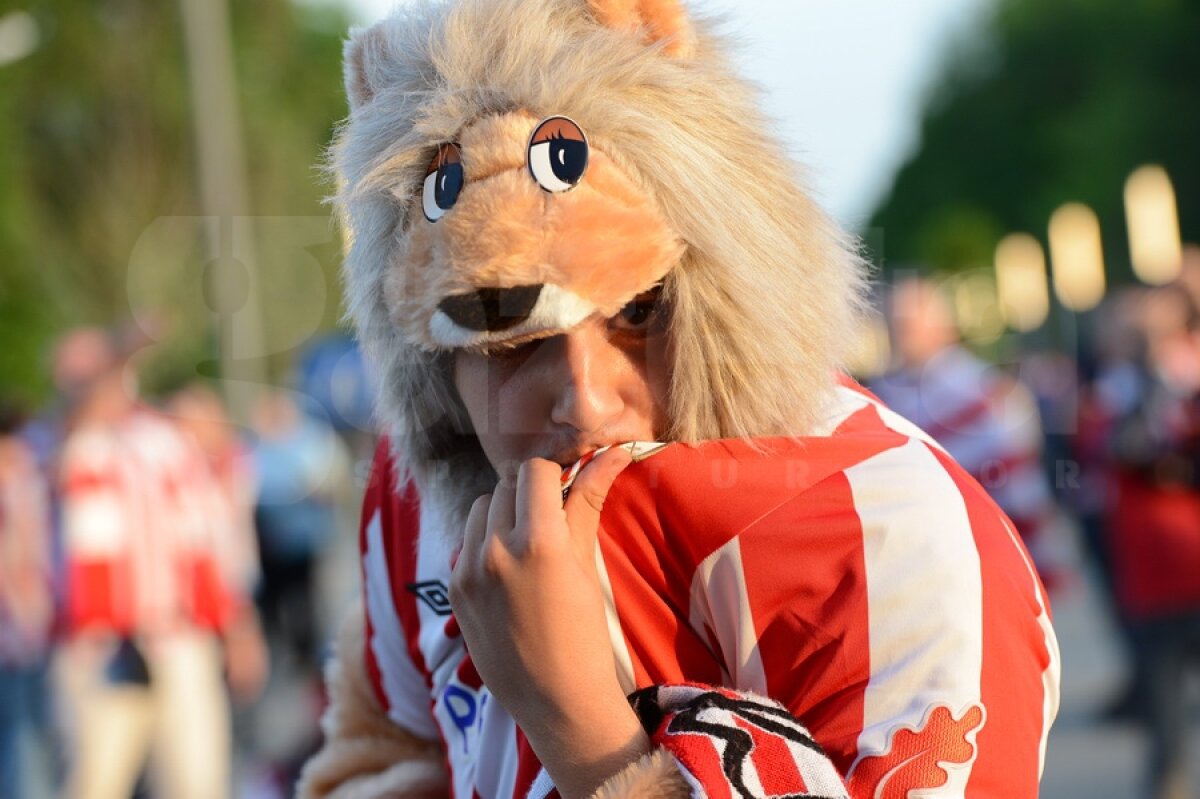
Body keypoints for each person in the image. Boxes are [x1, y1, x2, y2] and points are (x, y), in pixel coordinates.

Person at [297, 1, 1061, 797]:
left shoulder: (897, 531)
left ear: (728, 295)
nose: (586, 402)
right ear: (432, 359)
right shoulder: (419, 492)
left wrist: (584, 732)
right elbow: (390, 754)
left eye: (639, 312)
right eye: (506, 336)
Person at [56, 352, 266, 799]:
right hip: (108, 644)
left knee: (197, 779)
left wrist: (238, 626)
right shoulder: (92, 446)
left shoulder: (177, 455)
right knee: (98, 778)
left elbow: (209, 550)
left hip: (180, 636)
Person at [871, 277, 1065, 589]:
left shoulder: (988, 393)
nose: (899, 330)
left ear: (945, 324)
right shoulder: (882, 399)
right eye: (894, 320)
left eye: (910, 321)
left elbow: (1022, 490)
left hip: (989, 563)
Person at [0, 400, 57, 799]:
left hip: (32, 628)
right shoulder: (16, 473)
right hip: (18, 631)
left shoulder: (24, 471)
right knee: (25, 745)